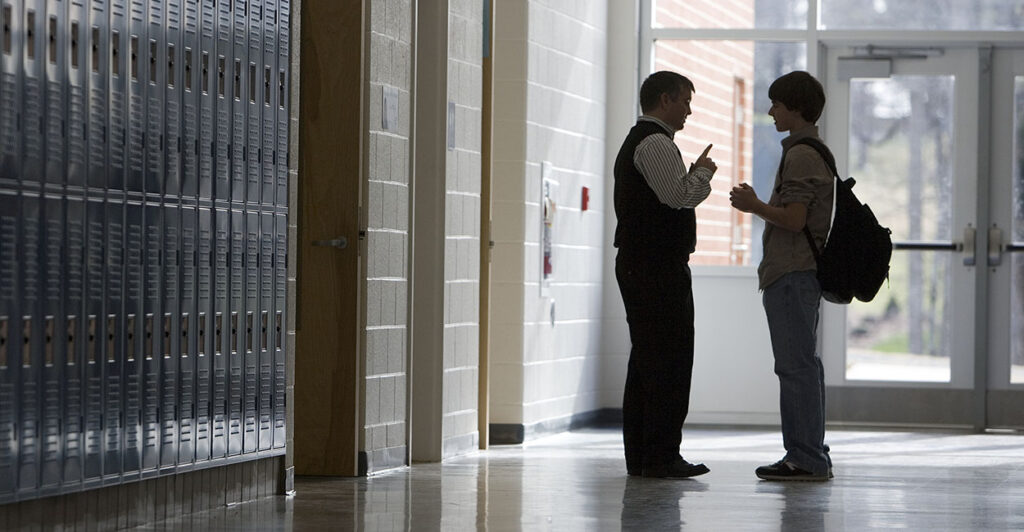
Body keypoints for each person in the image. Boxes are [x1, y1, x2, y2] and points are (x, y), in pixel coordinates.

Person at [729, 70, 834, 481]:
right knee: (804, 366)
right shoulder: (811, 150)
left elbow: (794, 219)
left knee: (795, 368)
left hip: (791, 273)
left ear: (797, 108)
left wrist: (754, 204)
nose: (770, 111)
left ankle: (805, 457)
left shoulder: (802, 154)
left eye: (777, 104)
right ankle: (810, 452)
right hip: (798, 275)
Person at [613, 70, 717, 478]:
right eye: (685, 101)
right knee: (668, 359)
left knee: (649, 359)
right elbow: (678, 196)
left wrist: (689, 175)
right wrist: (702, 173)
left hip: (645, 264)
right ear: (664, 100)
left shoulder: (648, 142)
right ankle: (659, 455)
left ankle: (646, 455)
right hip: (654, 266)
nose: (689, 110)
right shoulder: (654, 142)